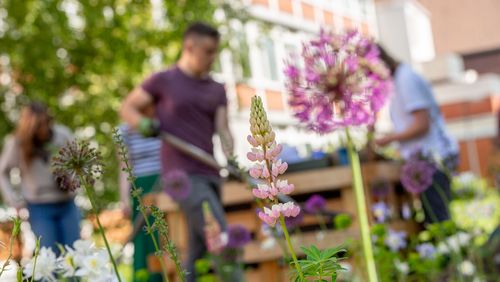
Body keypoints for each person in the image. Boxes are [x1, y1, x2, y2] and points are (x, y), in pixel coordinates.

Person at [120, 22, 237, 281]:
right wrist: (143, 124)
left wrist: (231, 155)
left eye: (215, 51)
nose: (212, 58)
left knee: (196, 250)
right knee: (218, 234)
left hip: (209, 172)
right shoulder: (163, 81)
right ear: (189, 46)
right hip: (181, 175)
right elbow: (128, 107)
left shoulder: (216, 89)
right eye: (207, 51)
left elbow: (223, 129)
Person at [375, 45, 459, 223]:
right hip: (426, 158)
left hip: (433, 157)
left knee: (437, 218)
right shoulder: (400, 80)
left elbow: (422, 124)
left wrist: (389, 139)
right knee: (434, 216)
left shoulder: (406, 80)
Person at [0, 102, 80, 253]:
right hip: (39, 207)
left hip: (67, 204)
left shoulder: (62, 135)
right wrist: (14, 201)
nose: (44, 129)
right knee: (48, 256)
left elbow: (78, 163)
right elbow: (2, 172)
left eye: (46, 123)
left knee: (74, 256)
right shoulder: (18, 143)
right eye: (39, 125)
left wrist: (72, 181)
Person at [118, 104, 163, 282]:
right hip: (141, 187)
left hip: (164, 183)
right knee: (145, 235)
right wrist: (124, 199)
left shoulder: (161, 125)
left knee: (164, 232)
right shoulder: (124, 132)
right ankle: (147, 277)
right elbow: (124, 166)